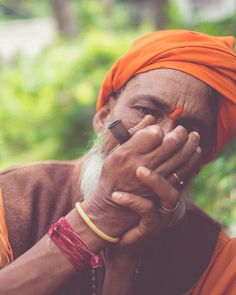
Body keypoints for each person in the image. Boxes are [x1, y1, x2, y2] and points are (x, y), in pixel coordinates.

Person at [0, 30, 236, 295]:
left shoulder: (216, 259)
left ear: (202, 157)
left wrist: (123, 265)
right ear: (103, 116)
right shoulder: (10, 200)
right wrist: (99, 216)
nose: (159, 137)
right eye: (146, 111)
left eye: (187, 130)